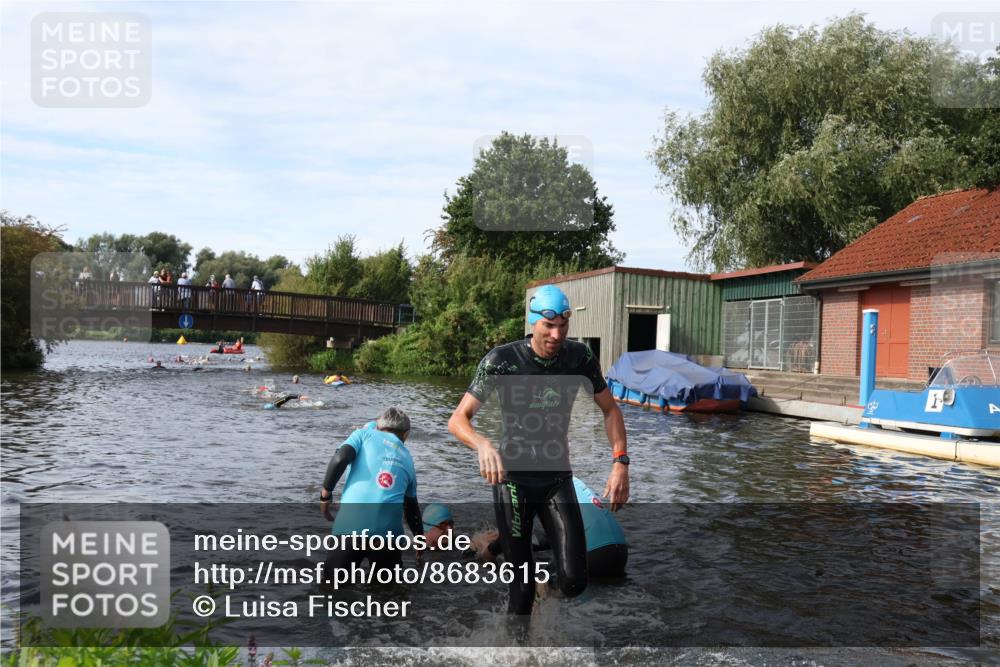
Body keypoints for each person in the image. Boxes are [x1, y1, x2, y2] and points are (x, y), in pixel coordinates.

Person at [448, 284, 629, 630]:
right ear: (533, 323)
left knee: (576, 581)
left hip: (556, 479)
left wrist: (620, 462)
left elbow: (610, 409)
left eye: (563, 325)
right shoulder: (502, 361)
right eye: (548, 326)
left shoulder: (579, 358)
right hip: (512, 480)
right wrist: (483, 445)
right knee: (521, 585)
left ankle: (549, 590)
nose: (556, 334)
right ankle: (519, 654)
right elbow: (458, 419)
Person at [320, 408, 423, 571]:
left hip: (350, 529)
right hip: (388, 537)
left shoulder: (362, 434)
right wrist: (419, 540)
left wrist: (325, 495)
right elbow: (411, 507)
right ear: (406, 434)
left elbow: (340, 458)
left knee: (333, 589)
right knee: (387, 593)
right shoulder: (408, 459)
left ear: (378, 426)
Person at [476, 476, 628, 578]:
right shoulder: (568, 479)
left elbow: (517, 529)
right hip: (619, 552)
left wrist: (490, 550)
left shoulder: (533, 481)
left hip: (590, 556)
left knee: (530, 580)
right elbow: (558, 533)